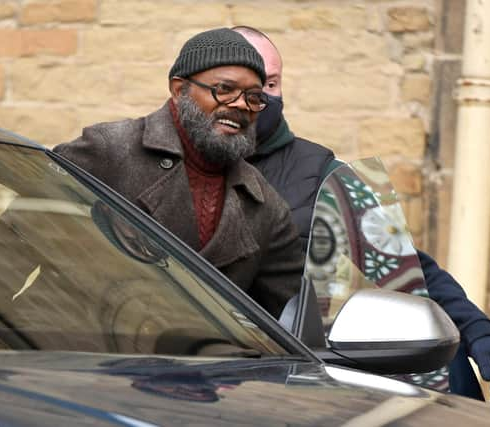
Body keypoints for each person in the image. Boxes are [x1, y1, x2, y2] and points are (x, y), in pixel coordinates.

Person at [232, 25, 490, 405]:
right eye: (252, 82)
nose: (263, 96)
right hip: (190, 379)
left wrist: (478, 332)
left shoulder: (323, 174)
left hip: (294, 388)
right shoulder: (172, 168)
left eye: (273, 84)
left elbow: (407, 269)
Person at [53, 28, 304, 319]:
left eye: (253, 97)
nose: (240, 105)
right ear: (178, 89)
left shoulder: (265, 206)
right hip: (83, 354)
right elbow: (17, 243)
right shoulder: (108, 150)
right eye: (223, 89)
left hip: (201, 361)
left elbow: (290, 318)